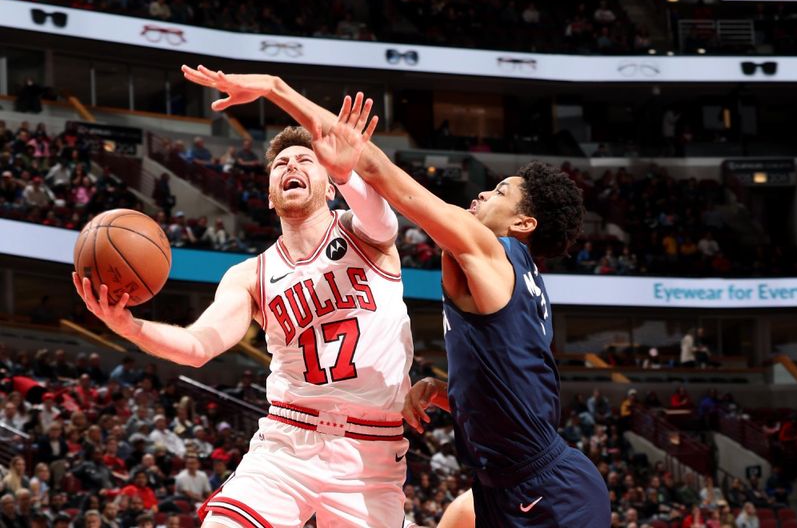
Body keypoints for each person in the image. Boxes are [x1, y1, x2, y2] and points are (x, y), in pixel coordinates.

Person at [193, 66, 609, 527]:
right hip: (509, 481)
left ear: (523, 224)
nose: (483, 192)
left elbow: (380, 171)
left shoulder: (491, 250)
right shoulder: (513, 275)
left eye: (500, 191)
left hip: (546, 490)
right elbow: (515, 393)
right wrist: (448, 393)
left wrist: (277, 89)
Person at [73, 66, 415, 527]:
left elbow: (380, 213)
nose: (291, 166)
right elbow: (199, 346)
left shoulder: (367, 235)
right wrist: (128, 326)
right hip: (286, 441)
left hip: (370, 454)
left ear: (331, 185)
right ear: (271, 196)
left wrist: (351, 174)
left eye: (305, 160)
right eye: (280, 164)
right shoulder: (250, 275)